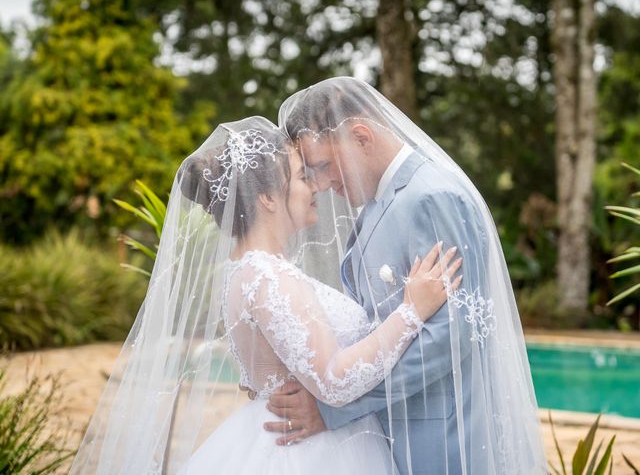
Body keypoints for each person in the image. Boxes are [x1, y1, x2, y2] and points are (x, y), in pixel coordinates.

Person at [69, 116, 461, 474]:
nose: (316, 187)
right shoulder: (266, 277)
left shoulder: (253, 270)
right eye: (301, 177)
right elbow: (335, 381)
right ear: (269, 198)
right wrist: (411, 312)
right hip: (310, 453)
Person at [260, 77, 547, 475]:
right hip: (389, 437)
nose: (322, 184)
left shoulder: (433, 197)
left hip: (441, 442)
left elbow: (450, 336)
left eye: (324, 166)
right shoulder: (379, 203)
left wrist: (333, 409)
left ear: (361, 137)